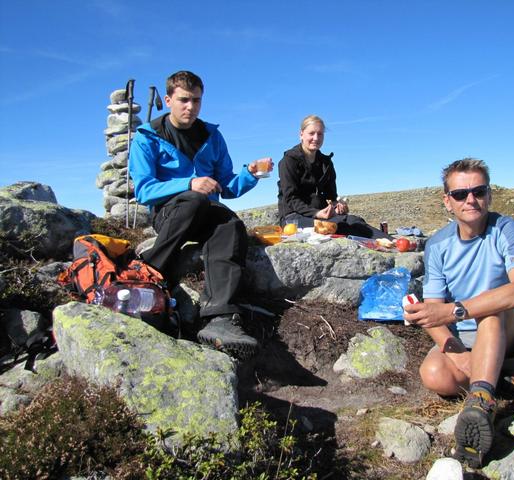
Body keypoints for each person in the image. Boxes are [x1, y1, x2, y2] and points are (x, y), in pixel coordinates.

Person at [403, 158, 514, 467]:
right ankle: (494, 379)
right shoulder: (438, 245)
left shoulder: (507, 229)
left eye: (479, 191)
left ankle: (480, 402)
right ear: (447, 202)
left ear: (489, 195)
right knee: (434, 375)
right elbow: (434, 314)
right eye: (460, 194)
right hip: (468, 339)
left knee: (489, 308)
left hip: (511, 331)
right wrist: (458, 356)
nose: (470, 200)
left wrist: (457, 310)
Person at [129, 70, 272, 360]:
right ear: (168, 100)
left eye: (196, 100)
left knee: (230, 223)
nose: (190, 107)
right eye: (183, 100)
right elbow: (144, 191)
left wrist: (251, 173)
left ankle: (219, 318)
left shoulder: (212, 135)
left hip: (207, 212)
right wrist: (189, 183)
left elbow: (227, 186)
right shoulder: (147, 138)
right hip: (171, 212)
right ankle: (150, 277)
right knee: (196, 200)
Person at [277, 115, 391, 239]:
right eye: (311, 133)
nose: (316, 138)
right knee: (336, 226)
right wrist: (317, 213)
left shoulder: (326, 163)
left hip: (320, 215)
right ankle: (384, 242)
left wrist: (338, 206)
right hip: (293, 218)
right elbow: (291, 199)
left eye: (320, 134)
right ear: (301, 134)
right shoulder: (289, 161)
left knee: (354, 220)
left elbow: (331, 196)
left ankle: (393, 243)